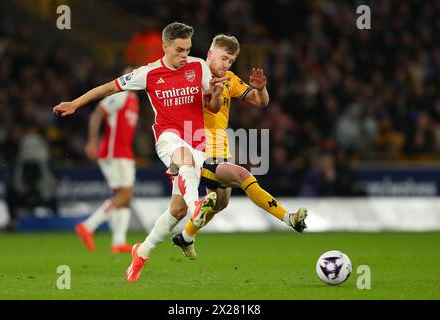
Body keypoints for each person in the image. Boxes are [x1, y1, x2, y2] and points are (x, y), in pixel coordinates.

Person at [53, 22, 227, 283]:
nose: (184, 55)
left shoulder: (198, 66)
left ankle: (141, 251)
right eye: (179, 50)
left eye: (188, 49)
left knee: (176, 212)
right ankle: (197, 205)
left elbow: (211, 108)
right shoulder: (148, 73)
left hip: (197, 140)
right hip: (168, 137)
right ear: (165, 46)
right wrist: (75, 103)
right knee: (184, 162)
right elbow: (108, 88)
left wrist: (216, 94)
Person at [172, 34, 308, 260]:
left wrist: (261, 89)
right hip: (198, 152)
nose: (226, 65)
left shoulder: (230, 79)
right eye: (223, 58)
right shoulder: (192, 75)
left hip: (221, 152)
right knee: (242, 174)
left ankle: (185, 237)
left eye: (231, 61)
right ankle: (289, 218)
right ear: (209, 54)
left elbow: (261, 102)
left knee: (221, 203)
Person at [74, 67, 139, 253]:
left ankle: (118, 241)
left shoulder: (133, 100)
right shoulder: (120, 94)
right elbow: (97, 114)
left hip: (125, 153)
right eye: (128, 74)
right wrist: (92, 141)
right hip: (113, 152)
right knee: (125, 195)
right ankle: (88, 226)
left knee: (125, 197)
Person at [4, 132, 59, 231]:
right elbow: (57, 179)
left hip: (22, 196)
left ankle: (13, 222)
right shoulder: (47, 160)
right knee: (53, 195)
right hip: (43, 197)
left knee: (9, 194)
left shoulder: (18, 160)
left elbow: (10, 179)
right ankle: (57, 222)